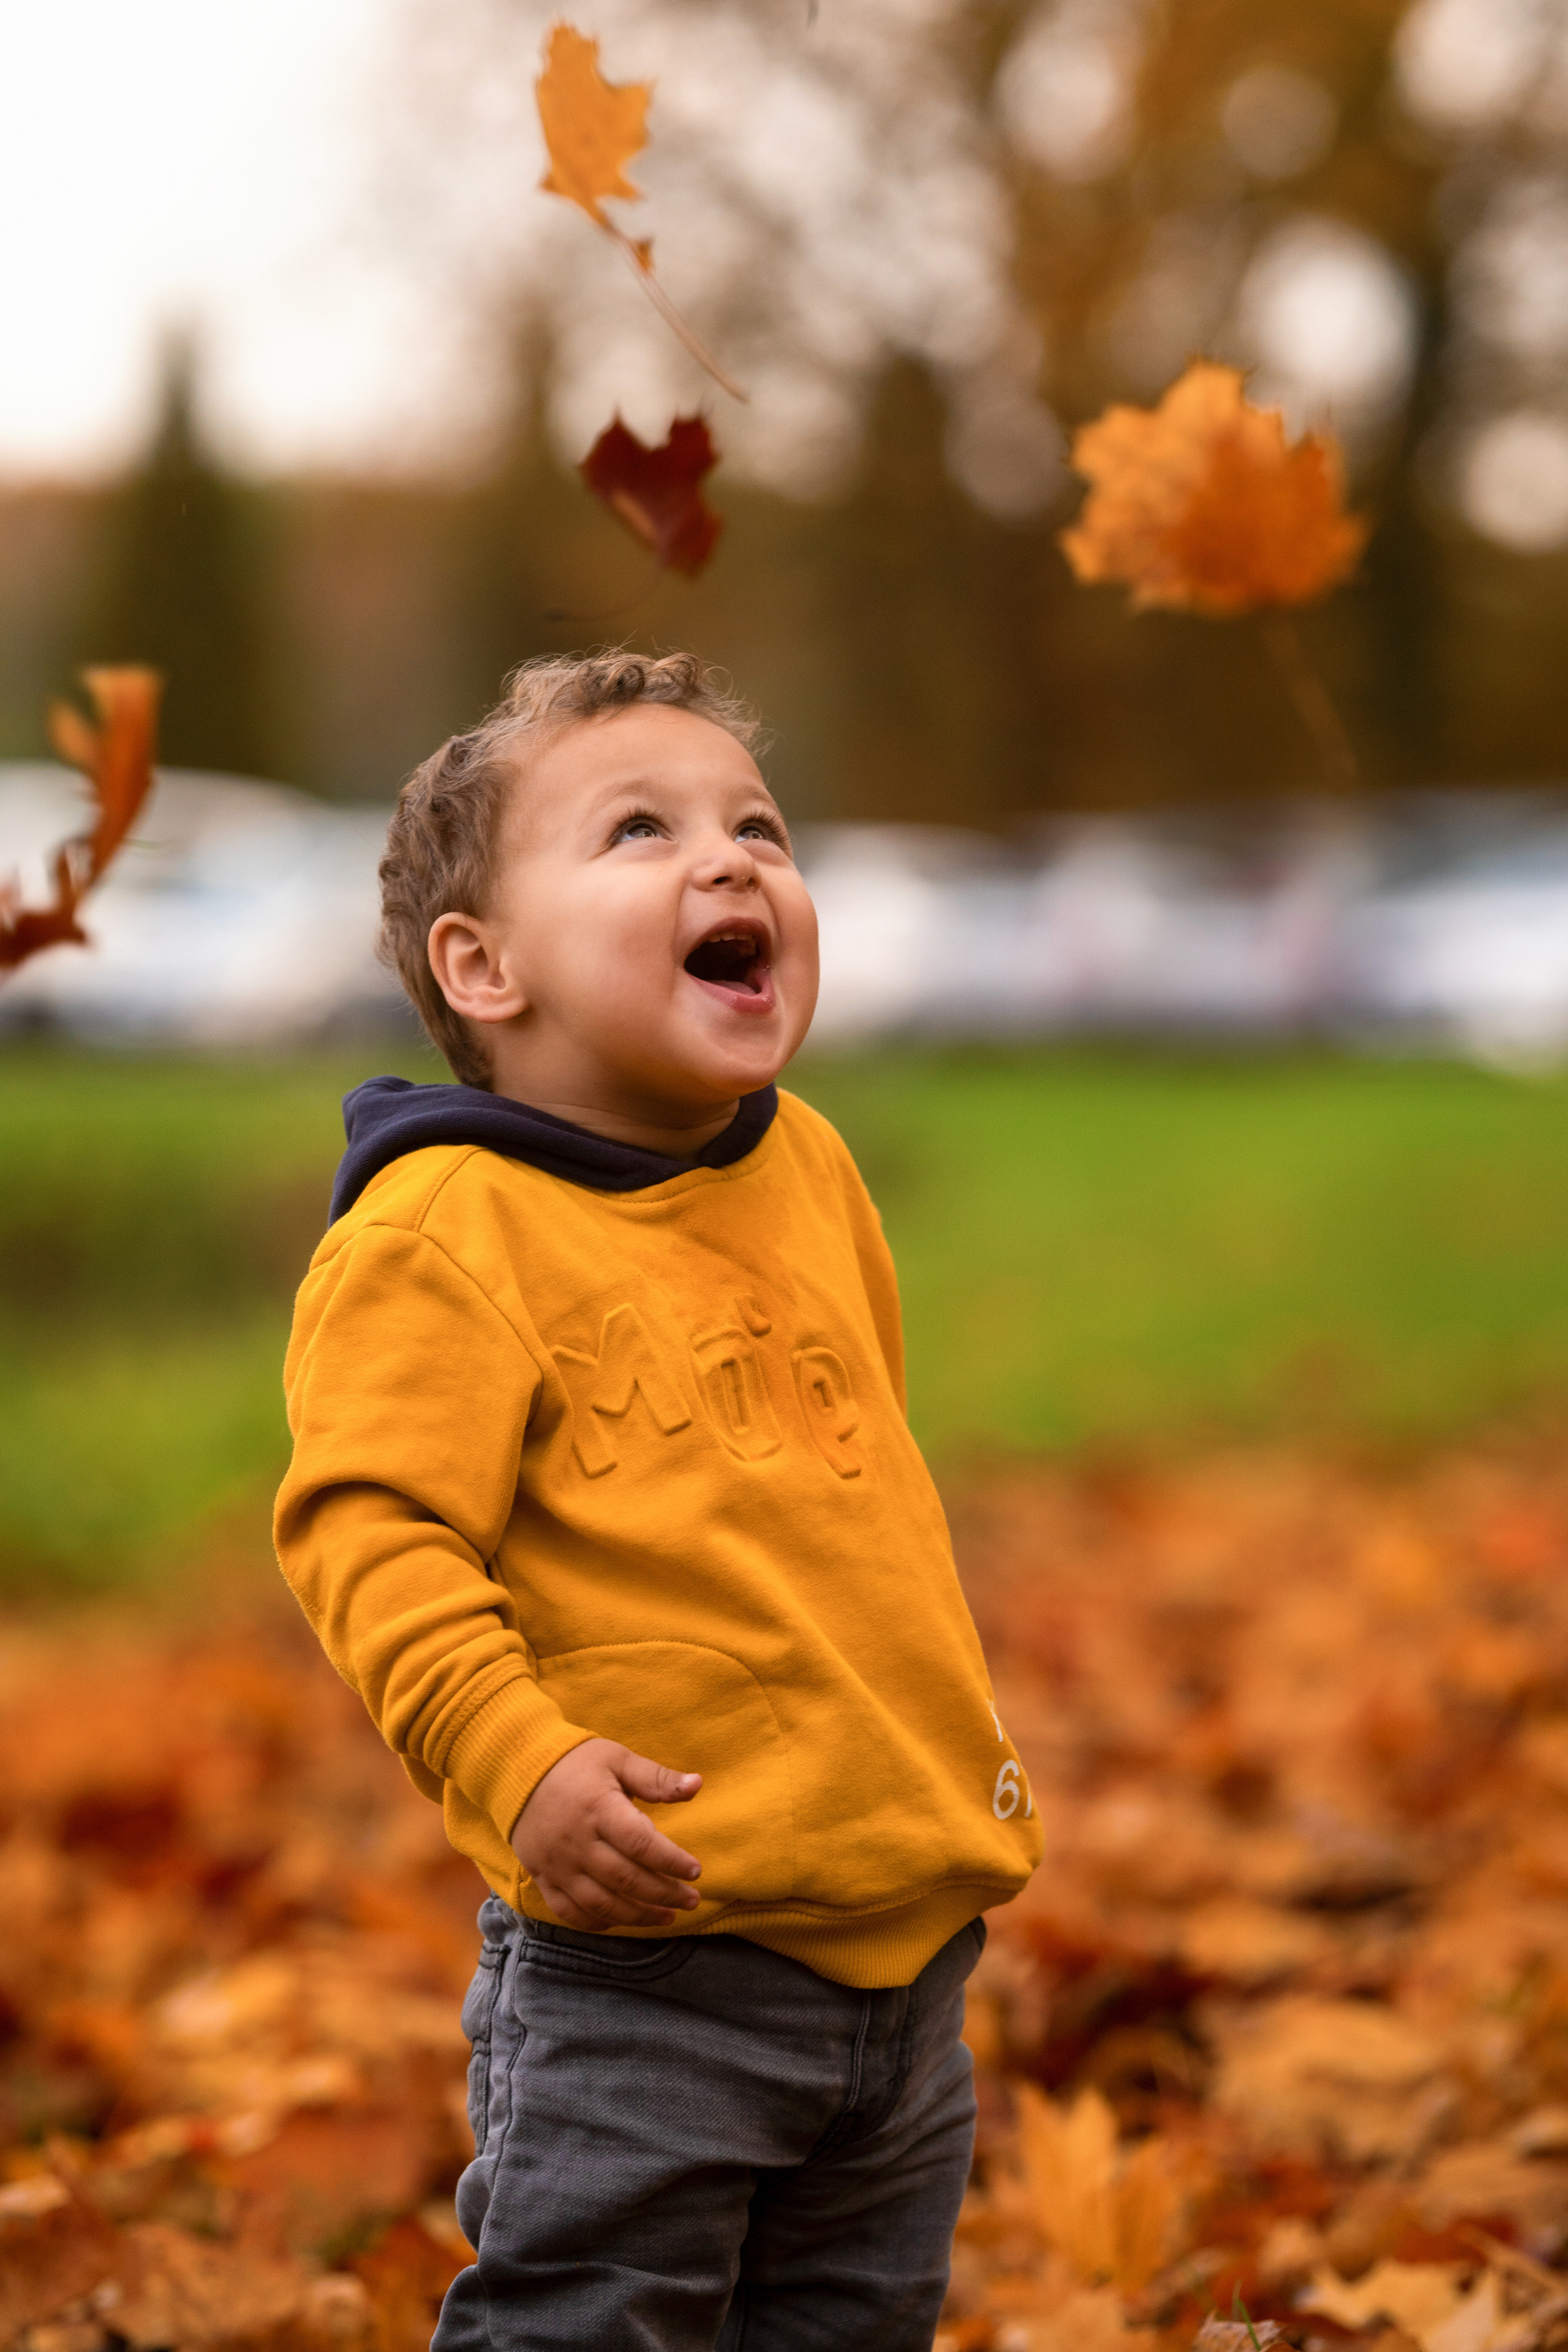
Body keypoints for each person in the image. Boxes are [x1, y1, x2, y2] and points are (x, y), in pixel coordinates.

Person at [274, 649, 1042, 2351]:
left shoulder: (808, 1165)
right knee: (589, 2325)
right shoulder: (441, 1231)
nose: (735, 860)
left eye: (758, 825)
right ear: (485, 968)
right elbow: (369, 1533)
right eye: (639, 830)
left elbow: (851, 1496)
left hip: (905, 1958)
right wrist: (517, 1756)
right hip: (656, 1971)